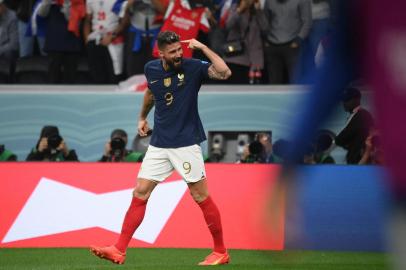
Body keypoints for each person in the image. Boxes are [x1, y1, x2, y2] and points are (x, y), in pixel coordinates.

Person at [90, 30, 231, 266]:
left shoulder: (193, 66)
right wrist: (142, 118)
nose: (178, 54)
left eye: (180, 50)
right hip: (159, 144)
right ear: (161, 53)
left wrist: (203, 47)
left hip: (186, 143)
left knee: (200, 196)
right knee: (140, 192)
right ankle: (119, 249)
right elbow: (150, 93)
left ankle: (220, 251)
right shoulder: (151, 69)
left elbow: (225, 72)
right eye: (173, 52)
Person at [262, 0, 312, 84]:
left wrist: (299, 40)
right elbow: (265, 20)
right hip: (272, 44)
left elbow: (307, 21)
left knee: (295, 81)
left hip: (292, 44)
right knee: (274, 83)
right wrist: (266, 39)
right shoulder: (269, 1)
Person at [37, 0, 85, 84]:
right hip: (54, 41)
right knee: (53, 77)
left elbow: (73, 20)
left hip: (71, 42)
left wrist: (66, 4)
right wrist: (46, 2)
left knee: (70, 78)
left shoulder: (77, 1)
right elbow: (41, 14)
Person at [223, 0, 268, 84]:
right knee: (237, 86)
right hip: (237, 56)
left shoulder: (256, 12)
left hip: (254, 57)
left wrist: (259, 11)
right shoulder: (235, 8)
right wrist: (239, 10)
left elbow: (265, 28)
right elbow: (228, 26)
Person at [84, 0, 125, 84]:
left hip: (113, 40)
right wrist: (87, 38)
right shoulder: (90, 1)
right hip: (94, 39)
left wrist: (112, 35)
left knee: (114, 76)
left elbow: (125, 21)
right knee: (96, 76)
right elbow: (87, 20)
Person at [334, 87, 374, 164]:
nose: (344, 103)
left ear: (357, 99)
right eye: (343, 100)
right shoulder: (360, 115)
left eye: (347, 100)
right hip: (358, 159)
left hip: (359, 161)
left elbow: (341, 138)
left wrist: (343, 142)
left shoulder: (361, 115)